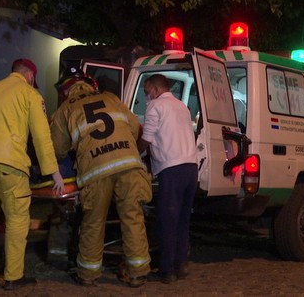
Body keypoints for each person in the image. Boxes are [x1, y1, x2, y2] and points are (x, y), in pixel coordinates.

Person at [0, 58, 64, 291]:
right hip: (9, 163)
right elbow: (41, 137)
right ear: (30, 76)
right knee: (17, 220)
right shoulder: (30, 94)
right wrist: (54, 173)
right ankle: (13, 277)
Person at [50, 67, 152, 288]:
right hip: (128, 164)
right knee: (133, 218)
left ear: (66, 90)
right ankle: (138, 273)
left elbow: (57, 149)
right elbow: (134, 127)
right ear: (90, 85)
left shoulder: (65, 109)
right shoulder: (111, 98)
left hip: (96, 171)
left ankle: (88, 275)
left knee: (93, 222)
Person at [137, 74, 198, 284]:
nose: (147, 97)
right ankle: (181, 264)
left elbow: (147, 139)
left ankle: (166, 270)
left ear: (155, 89)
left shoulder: (156, 107)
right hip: (191, 168)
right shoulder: (182, 106)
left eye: (146, 92)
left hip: (172, 169)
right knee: (182, 219)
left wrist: (134, 153)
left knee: (166, 220)